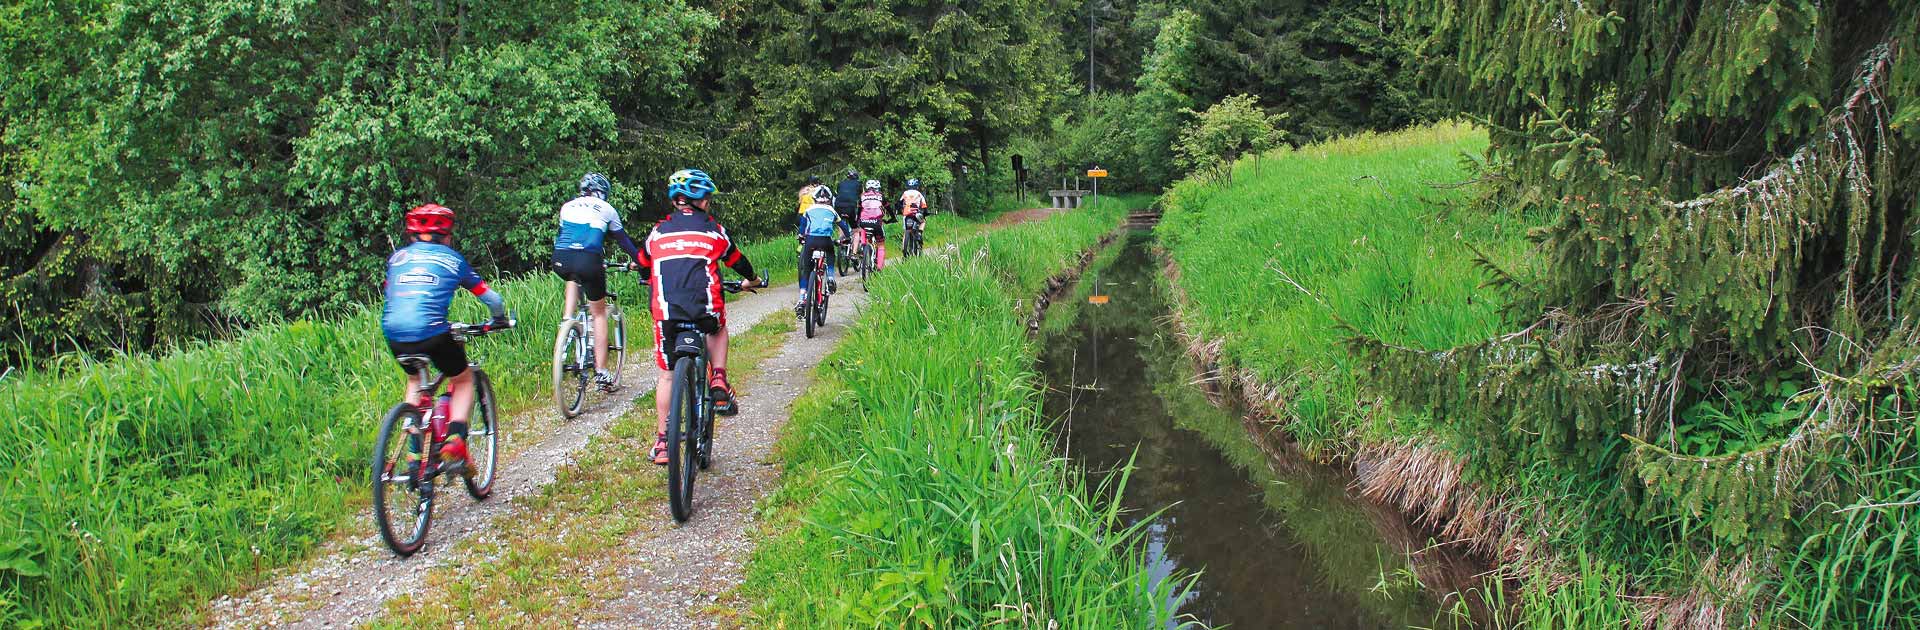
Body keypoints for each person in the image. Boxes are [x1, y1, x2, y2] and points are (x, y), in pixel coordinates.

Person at [638, 168, 763, 465]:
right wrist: (753, 280)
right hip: (704, 308)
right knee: (717, 329)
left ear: (675, 201)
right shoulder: (712, 230)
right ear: (703, 201)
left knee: (667, 375)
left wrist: (647, 275)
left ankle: (663, 442)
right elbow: (737, 261)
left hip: (665, 312)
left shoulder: (658, 231)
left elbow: (642, 263)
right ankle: (718, 377)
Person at [381, 203, 510, 477]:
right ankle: (454, 440)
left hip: (393, 330)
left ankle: (415, 455)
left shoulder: (397, 259)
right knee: (462, 379)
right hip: (432, 331)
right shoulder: (452, 260)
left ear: (411, 236)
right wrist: (498, 319)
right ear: (447, 235)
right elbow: (492, 298)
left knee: (416, 381)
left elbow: (393, 294)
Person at [552, 172, 644, 391]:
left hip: (560, 259)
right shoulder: (607, 209)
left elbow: (565, 237)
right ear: (603, 192)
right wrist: (641, 262)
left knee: (573, 276)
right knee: (599, 313)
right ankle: (602, 372)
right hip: (589, 260)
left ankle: (568, 320)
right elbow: (624, 242)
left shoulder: (567, 206)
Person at [797, 187, 851, 314]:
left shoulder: (808, 210)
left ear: (814, 199)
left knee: (806, 270)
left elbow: (802, 227)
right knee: (831, 254)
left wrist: (801, 237)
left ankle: (802, 299)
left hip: (810, 241)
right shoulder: (831, 210)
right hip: (826, 240)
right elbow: (842, 225)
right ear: (829, 199)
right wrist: (847, 238)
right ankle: (831, 278)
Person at [856, 179, 889, 270]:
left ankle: (863, 246)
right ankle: (879, 267)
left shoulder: (862, 196)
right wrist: (892, 218)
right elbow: (888, 208)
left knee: (862, 227)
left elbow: (859, 211)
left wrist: (857, 220)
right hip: (876, 222)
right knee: (881, 244)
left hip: (864, 222)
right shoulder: (881, 196)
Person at [900, 177, 930, 242]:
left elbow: (900, 203)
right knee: (923, 221)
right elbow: (924, 205)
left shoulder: (905, 193)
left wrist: (900, 210)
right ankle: (919, 233)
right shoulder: (918, 193)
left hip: (906, 213)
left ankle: (903, 248)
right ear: (916, 186)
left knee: (905, 231)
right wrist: (925, 212)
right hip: (916, 213)